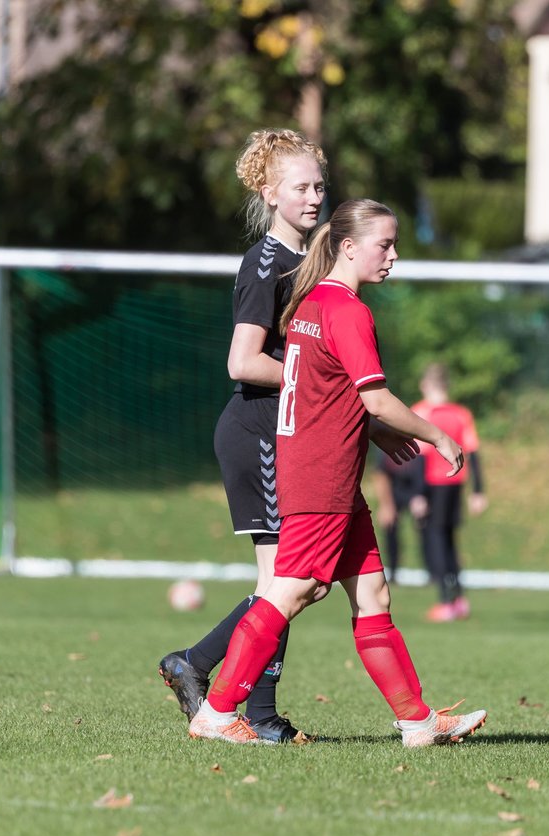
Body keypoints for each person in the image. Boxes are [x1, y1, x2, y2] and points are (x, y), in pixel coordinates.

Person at [186, 199, 488, 747]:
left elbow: (330, 394)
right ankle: (217, 709)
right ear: (349, 247)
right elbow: (374, 398)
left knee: (372, 596)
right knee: (291, 592)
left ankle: (417, 722)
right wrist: (437, 434)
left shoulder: (311, 303)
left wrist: (376, 432)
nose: (393, 256)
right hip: (321, 475)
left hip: (326, 472)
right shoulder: (347, 310)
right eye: (385, 244)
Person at [158, 129, 328, 744]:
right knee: (284, 582)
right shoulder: (265, 262)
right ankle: (256, 713)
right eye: (301, 187)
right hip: (257, 430)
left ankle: (198, 666)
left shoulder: (307, 260)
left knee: (291, 583)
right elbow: (243, 361)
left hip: (286, 434)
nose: (314, 197)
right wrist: (316, 383)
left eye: (318, 185)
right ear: (269, 192)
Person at [411, 363, 487, 621]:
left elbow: (419, 458)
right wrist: (478, 491)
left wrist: (418, 494)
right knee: (450, 540)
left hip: (432, 484)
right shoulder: (461, 414)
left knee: (435, 540)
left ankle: (445, 601)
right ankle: (459, 598)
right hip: (456, 484)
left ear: (427, 385)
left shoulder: (421, 412)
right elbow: (473, 453)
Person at [371, 449, 424, 584]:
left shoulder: (420, 443)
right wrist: (386, 505)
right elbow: (380, 475)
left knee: (427, 527)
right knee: (390, 528)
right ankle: (393, 571)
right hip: (394, 492)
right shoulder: (385, 444)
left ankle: (434, 573)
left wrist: (422, 497)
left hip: (416, 491)